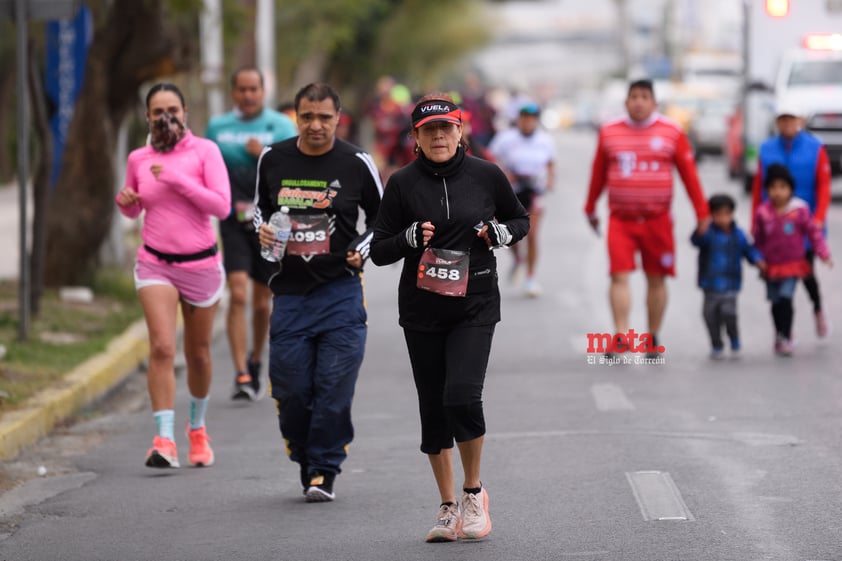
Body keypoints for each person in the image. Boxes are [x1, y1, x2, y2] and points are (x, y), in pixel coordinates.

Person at [370, 94, 530, 543]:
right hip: (422, 309)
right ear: (415, 138)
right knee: (434, 408)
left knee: (461, 395)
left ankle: (473, 492)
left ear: (460, 132)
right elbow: (378, 249)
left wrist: (498, 233)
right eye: (428, 130)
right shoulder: (401, 183)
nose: (439, 136)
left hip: (474, 303)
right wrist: (406, 237)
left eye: (446, 128)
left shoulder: (486, 175)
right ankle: (446, 508)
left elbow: (519, 220)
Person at [254, 83, 383, 502]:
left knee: (333, 387)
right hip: (289, 295)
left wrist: (359, 251)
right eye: (307, 116)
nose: (315, 125)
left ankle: (323, 470)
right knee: (291, 391)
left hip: (340, 293)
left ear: (338, 118)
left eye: (324, 117)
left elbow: (385, 221)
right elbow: (259, 208)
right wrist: (263, 228)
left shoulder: (355, 161)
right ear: (296, 117)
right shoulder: (273, 158)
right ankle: (304, 455)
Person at [116, 83, 231, 468]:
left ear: (185, 113)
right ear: (146, 117)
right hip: (155, 263)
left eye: (173, 110)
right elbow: (136, 207)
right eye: (157, 111)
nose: (165, 117)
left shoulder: (205, 152)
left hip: (200, 265)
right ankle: (163, 439)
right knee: (162, 347)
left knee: (197, 354)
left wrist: (177, 179)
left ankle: (197, 430)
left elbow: (222, 206)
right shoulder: (138, 157)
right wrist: (127, 203)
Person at [584, 79, 711, 357]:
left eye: (644, 96)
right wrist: (590, 207)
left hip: (658, 219)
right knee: (618, 276)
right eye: (634, 97)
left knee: (657, 279)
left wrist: (703, 213)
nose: (639, 102)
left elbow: (689, 175)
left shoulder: (672, 132)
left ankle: (652, 336)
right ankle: (621, 335)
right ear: (626, 102)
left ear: (654, 103)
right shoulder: (609, 132)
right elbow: (598, 174)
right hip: (621, 219)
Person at [205, 68, 297, 401]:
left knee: (262, 304)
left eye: (253, 89)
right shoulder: (218, 128)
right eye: (241, 89)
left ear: (263, 91)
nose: (247, 95)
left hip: (271, 222)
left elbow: (295, 171)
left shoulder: (283, 126)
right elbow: (207, 169)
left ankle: (257, 359)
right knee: (239, 293)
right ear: (233, 92)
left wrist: (265, 155)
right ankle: (241, 372)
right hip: (232, 218)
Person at [751, 103, 832, 338]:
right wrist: (755, 224)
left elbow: (824, 185)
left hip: (803, 223)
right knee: (778, 280)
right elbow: (758, 188)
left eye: (792, 120)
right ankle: (783, 330)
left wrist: (818, 218)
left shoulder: (815, 148)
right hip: (773, 224)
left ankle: (817, 307)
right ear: (777, 123)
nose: (787, 125)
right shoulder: (766, 149)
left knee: (806, 273)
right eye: (783, 120)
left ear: (800, 121)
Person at [752, 164, 832, 356]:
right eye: (773, 187)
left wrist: (823, 253)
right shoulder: (763, 213)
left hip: (793, 264)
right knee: (775, 302)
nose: (778, 192)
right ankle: (779, 333)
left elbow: (814, 233)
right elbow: (757, 240)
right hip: (771, 267)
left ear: (790, 188)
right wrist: (758, 258)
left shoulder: (800, 210)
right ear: (767, 189)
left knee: (786, 298)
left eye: (782, 187)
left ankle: (786, 336)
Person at [488, 102, 556, 296]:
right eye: (524, 118)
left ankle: (531, 277)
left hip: (534, 190)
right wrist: (503, 174)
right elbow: (490, 158)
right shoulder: (505, 139)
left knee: (532, 235)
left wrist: (550, 179)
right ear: (518, 119)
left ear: (536, 120)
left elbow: (550, 163)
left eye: (531, 118)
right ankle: (518, 257)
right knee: (512, 234)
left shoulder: (545, 140)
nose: (527, 122)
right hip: (511, 191)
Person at [690, 194, 765, 359]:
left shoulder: (738, 235)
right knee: (709, 315)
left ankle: (734, 336)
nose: (723, 218)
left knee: (729, 313)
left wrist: (759, 260)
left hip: (731, 283)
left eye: (726, 214)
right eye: (718, 214)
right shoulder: (708, 233)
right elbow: (695, 241)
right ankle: (716, 342)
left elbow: (749, 250)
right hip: (710, 284)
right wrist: (700, 230)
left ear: (732, 214)